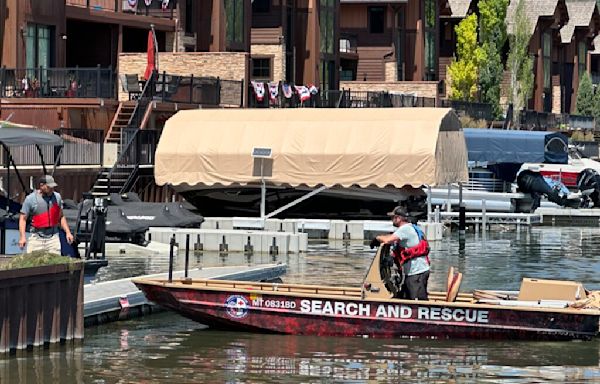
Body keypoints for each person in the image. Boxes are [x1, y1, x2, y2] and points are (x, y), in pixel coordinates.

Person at [370, 206, 430, 300]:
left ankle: (424, 313)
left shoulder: (405, 229)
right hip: (417, 271)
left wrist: (376, 238)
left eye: (392, 217)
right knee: (405, 297)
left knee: (416, 301)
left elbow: (387, 240)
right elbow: (393, 237)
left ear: (398, 218)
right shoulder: (409, 227)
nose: (391, 220)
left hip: (416, 272)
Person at [18, 175, 74, 255]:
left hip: (53, 237)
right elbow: (23, 219)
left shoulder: (57, 197)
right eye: (49, 187)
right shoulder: (30, 199)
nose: (52, 189)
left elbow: (61, 216)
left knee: (54, 264)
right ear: (41, 186)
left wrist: (68, 232)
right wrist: (22, 237)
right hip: (36, 237)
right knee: (34, 264)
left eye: (53, 187)